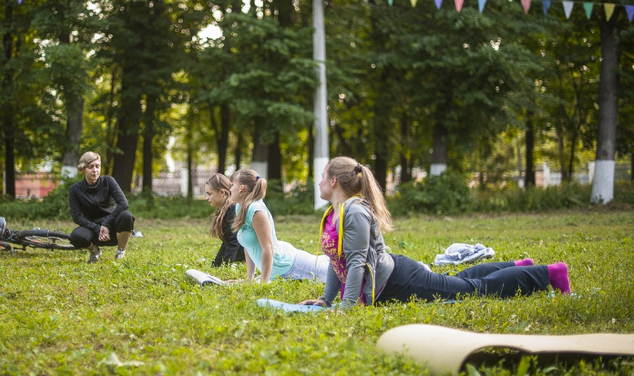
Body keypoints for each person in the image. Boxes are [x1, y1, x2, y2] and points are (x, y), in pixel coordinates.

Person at [300, 156, 572, 308]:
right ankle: (516, 266)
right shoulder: (333, 214)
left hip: (397, 281)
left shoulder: (355, 212)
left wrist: (347, 307)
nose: (320, 181)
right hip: (392, 279)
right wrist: (326, 300)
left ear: (334, 181)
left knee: (472, 290)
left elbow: (358, 261)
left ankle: (550, 273)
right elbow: (339, 264)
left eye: (323, 176)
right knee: (459, 281)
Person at [230, 169, 329, 283]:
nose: (230, 189)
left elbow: (268, 248)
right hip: (276, 270)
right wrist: (249, 279)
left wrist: (264, 282)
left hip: (288, 265)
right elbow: (248, 246)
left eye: (232, 185)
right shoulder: (240, 207)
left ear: (241, 188)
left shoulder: (256, 210)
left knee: (333, 272)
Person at [68, 151, 135, 263]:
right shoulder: (75, 189)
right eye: (90, 167)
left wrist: (106, 224)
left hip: (112, 226)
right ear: (83, 168)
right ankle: (95, 251)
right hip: (92, 228)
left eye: (97, 166)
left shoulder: (108, 181)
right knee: (75, 237)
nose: (95, 170)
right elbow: (76, 216)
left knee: (126, 216)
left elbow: (124, 203)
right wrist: (98, 228)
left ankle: (120, 252)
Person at [205, 173, 245, 267]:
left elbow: (233, 242)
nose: (207, 198)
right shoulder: (225, 209)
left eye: (209, 194)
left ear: (222, 193)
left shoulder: (231, 210)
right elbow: (227, 242)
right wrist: (216, 265)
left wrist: (225, 266)